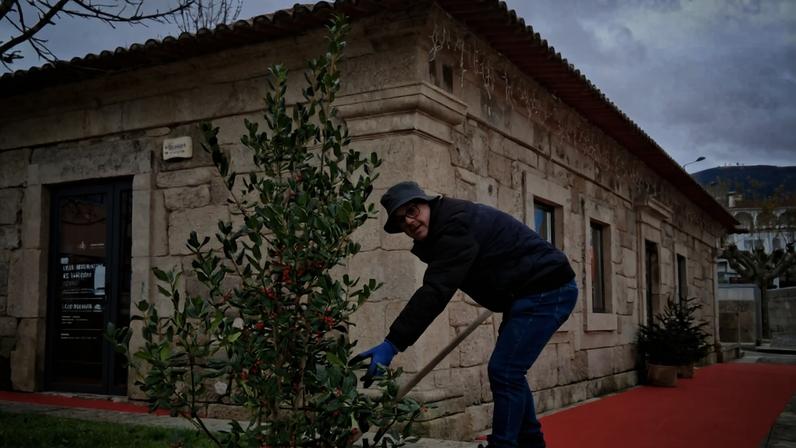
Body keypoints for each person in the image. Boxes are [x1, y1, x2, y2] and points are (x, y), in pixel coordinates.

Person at [353, 181, 578, 448]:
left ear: (427, 203)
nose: (409, 222)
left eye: (412, 211)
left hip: (548, 289)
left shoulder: (454, 225)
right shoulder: (444, 229)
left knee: (505, 371)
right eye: (402, 221)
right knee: (509, 372)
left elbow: (436, 290)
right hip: (523, 295)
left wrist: (393, 343)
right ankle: (530, 442)